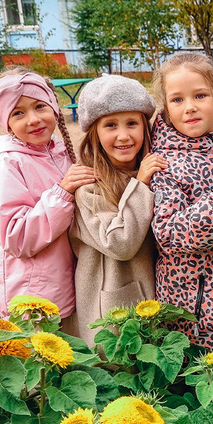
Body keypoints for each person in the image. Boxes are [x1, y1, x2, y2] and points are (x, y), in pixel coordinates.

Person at [147, 50, 213, 362]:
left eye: (200, 95)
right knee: (206, 382)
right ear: (165, 108)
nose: (189, 107)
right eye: (177, 100)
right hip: (195, 301)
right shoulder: (165, 162)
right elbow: (168, 233)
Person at [65, 73, 162, 336]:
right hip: (111, 311)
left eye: (132, 123)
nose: (123, 135)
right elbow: (120, 243)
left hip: (153, 299)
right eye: (110, 125)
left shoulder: (155, 172)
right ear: (94, 133)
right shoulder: (89, 187)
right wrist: (140, 185)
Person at [0, 67, 77, 321]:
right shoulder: (5, 165)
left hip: (61, 283)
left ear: (54, 107)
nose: (33, 119)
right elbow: (17, 237)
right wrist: (63, 193)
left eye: (40, 107)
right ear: (5, 121)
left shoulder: (58, 151)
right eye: (18, 113)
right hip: (32, 298)